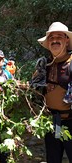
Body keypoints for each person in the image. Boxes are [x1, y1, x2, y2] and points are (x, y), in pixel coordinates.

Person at [32, 22, 72, 163]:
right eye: (51, 37)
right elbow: (33, 89)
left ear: (67, 40)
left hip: (71, 122)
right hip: (51, 122)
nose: (54, 40)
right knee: (53, 159)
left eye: (59, 37)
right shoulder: (43, 65)